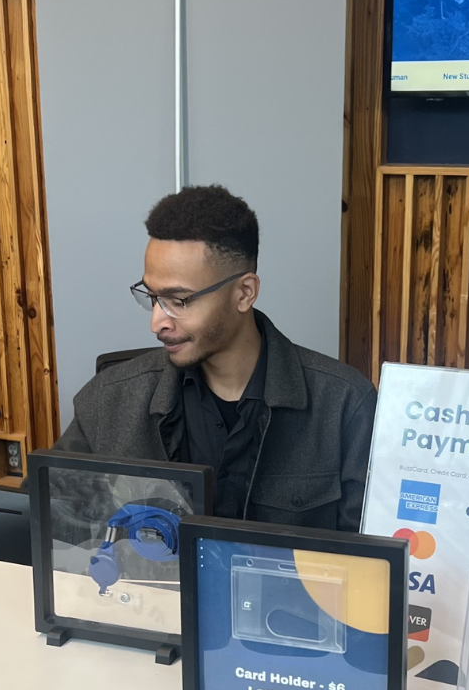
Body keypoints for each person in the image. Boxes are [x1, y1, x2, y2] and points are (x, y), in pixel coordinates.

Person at [55, 185, 377, 531]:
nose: (157, 323)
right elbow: (49, 518)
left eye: (179, 300)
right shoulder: (110, 399)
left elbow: (367, 562)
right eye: (152, 297)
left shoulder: (345, 405)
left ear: (244, 293)